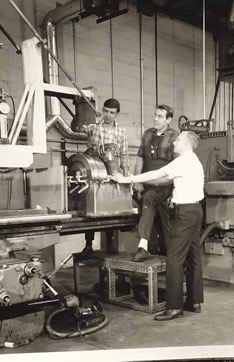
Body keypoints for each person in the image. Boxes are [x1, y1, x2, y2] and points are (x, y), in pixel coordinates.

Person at [112, 131, 205, 321]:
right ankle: (194, 302)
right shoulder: (194, 160)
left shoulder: (183, 160)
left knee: (174, 259)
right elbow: (163, 179)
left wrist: (126, 179)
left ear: (186, 143)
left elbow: (158, 173)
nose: (174, 142)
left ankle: (174, 307)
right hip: (196, 211)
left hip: (185, 214)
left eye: (178, 139)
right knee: (193, 257)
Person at [78, 98, 130, 256]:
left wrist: (127, 175)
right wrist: (82, 118)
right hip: (93, 167)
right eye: (106, 111)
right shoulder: (93, 127)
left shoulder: (121, 132)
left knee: (110, 205)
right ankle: (88, 244)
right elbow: (77, 127)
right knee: (91, 206)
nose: (108, 115)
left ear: (117, 114)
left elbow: (124, 154)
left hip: (111, 167)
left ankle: (110, 242)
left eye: (112, 113)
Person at [131, 105, 178, 262]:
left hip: (165, 184)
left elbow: (178, 165)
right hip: (147, 182)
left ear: (168, 119)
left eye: (160, 116)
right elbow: (140, 157)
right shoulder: (147, 134)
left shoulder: (174, 136)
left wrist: (174, 192)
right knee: (161, 218)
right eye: (155, 115)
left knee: (149, 199)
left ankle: (142, 246)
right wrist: (137, 178)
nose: (155, 119)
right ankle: (167, 252)